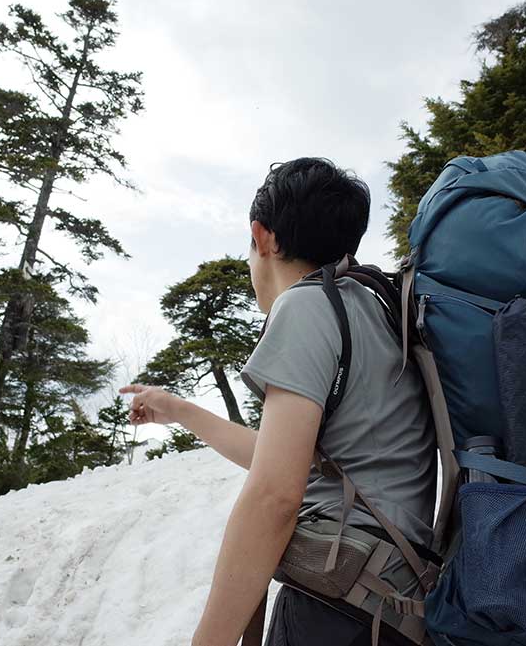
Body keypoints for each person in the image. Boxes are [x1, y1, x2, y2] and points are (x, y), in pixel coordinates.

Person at [120, 158, 436, 646]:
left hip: (337, 601)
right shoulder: (372, 307)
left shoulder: (306, 305)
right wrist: (178, 409)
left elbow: (275, 495)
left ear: (263, 236)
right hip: (391, 601)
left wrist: (212, 638)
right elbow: (291, 460)